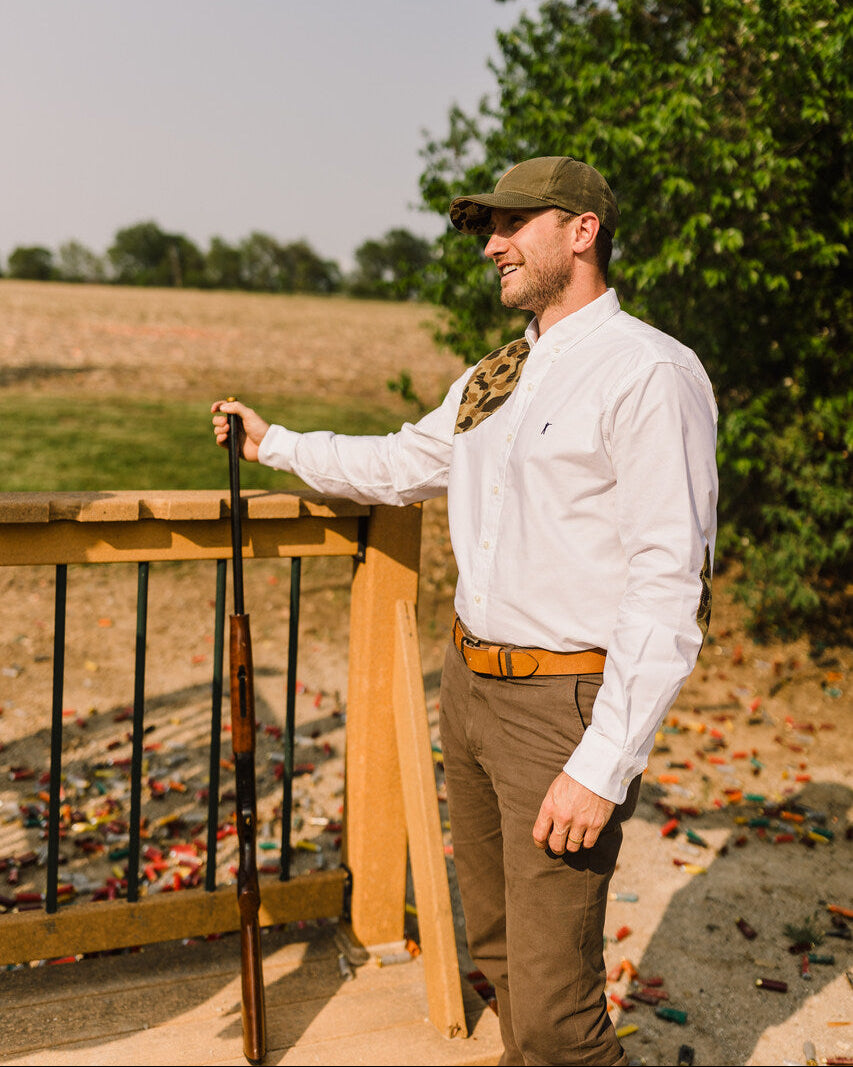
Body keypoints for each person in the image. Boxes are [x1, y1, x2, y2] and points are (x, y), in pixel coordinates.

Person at [212, 155, 718, 1066]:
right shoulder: (498, 373)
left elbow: (669, 582)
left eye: (513, 223)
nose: (492, 245)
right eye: (488, 227)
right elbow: (400, 462)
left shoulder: (649, 372)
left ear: (582, 230)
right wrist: (273, 442)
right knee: (499, 952)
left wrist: (603, 762)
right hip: (470, 689)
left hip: (561, 707)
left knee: (558, 1014)